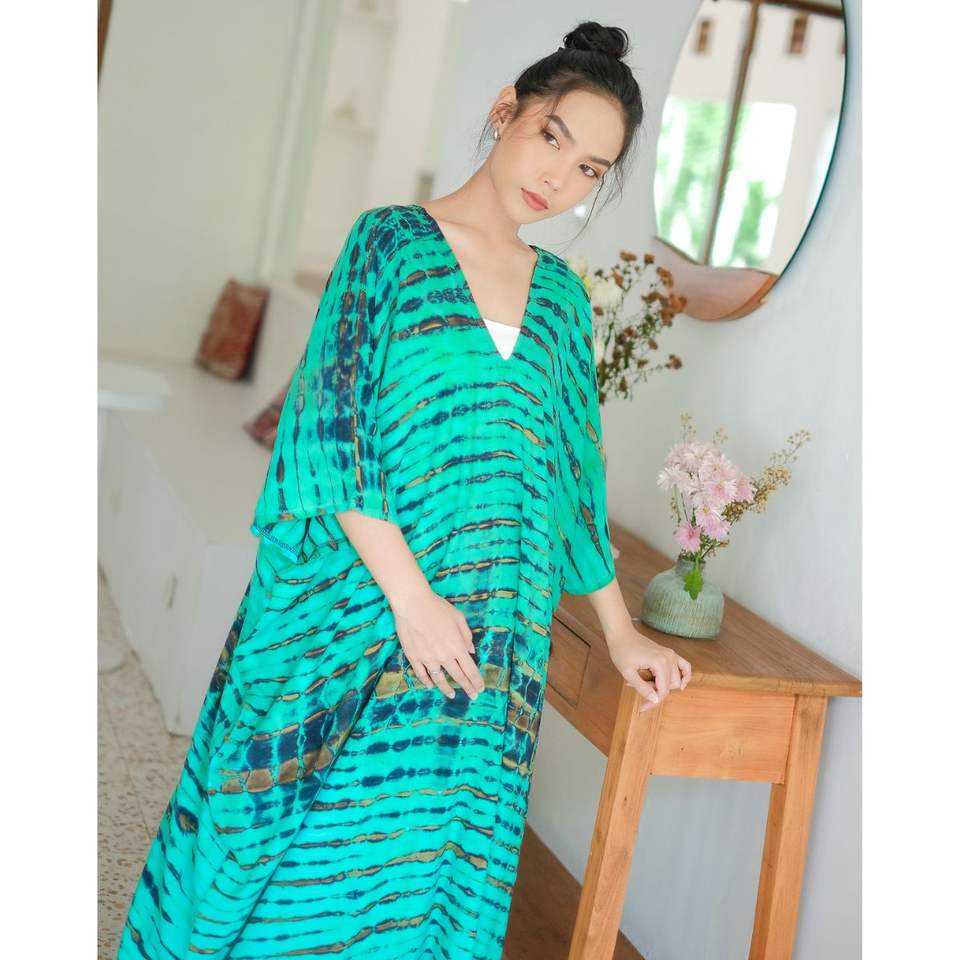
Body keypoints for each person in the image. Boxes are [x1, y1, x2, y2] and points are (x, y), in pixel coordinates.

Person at [117, 20, 691, 960]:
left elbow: (570, 479)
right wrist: (413, 602)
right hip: (366, 606)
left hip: (490, 635)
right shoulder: (388, 244)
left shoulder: (560, 299)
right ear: (507, 110)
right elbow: (329, 434)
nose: (560, 177)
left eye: (590, 169)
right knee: (304, 864)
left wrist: (621, 632)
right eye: (553, 136)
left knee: (422, 873)